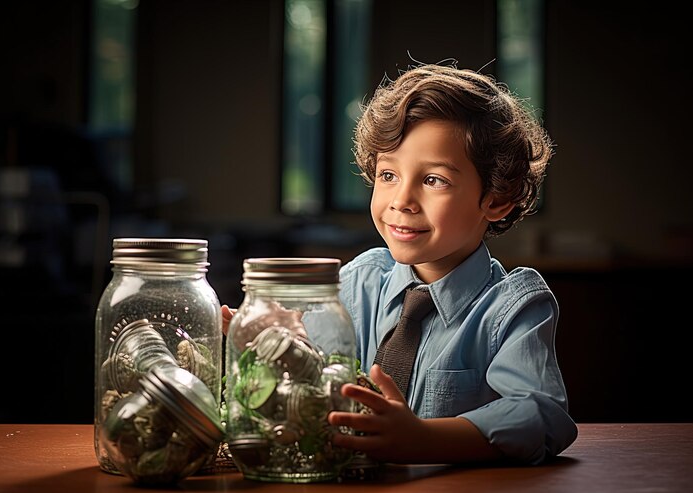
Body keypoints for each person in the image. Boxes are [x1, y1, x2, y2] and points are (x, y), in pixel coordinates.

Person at [222, 59, 577, 466]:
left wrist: (424, 439)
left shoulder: (513, 306)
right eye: (388, 175)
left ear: (495, 199)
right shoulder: (357, 283)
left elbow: (541, 415)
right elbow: (313, 382)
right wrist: (274, 347)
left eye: (433, 180)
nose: (401, 201)